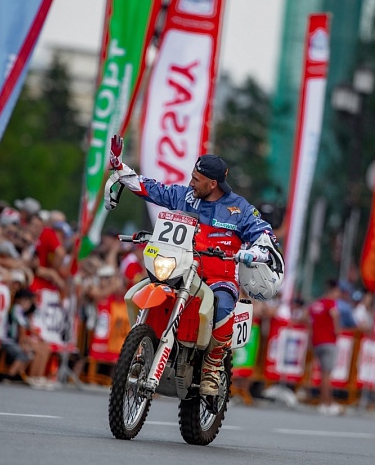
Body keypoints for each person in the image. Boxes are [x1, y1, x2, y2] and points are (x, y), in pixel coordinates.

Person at [107, 135, 283, 397]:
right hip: (180, 269)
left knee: (223, 304)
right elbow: (152, 188)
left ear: (213, 184)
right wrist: (121, 169)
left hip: (217, 278)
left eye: (196, 180)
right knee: (147, 284)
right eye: (191, 177)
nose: (191, 183)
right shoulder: (185, 197)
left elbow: (264, 233)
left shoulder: (240, 209)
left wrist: (256, 250)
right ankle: (144, 345)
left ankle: (212, 368)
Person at [307, 288, 342, 415]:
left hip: (317, 341)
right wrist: (337, 330)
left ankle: (324, 401)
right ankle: (326, 402)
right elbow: (334, 315)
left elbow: (308, 320)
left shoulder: (315, 305)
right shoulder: (330, 303)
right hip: (329, 341)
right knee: (327, 375)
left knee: (322, 374)